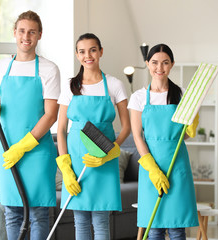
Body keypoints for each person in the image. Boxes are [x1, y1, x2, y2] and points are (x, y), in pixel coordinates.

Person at [0, 10, 60, 240]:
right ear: (14, 33)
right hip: (6, 147)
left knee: (37, 213)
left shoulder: (49, 69)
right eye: (22, 31)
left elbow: (50, 115)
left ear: (39, 35)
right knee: (12, 212)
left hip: (36, 150)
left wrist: (24, 146)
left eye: (32, 32)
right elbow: (0, 106)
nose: (26, 36)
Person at [56, 33, 131, 239]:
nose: (87, 55)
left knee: (101, 219)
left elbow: (127, 127)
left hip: (104, 159)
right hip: (78, 159)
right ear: (76, 55)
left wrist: (110, 152)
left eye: (92, 50)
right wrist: (65, 166)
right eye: (82, 51)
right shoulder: (71, 86)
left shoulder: (114, 84)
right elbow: (61, 129)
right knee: (80, 220)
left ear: (101, 52)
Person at [128, 44, 199, 240]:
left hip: (177, 164)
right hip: (151, 166)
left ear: (172, 64)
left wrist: (191, 128)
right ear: (147, 64)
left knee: (177, 227)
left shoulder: (182, 95)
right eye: (155, 63)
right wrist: (152, 168)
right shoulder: (139, 97)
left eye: (165, 63)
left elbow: (183, 135)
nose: (160, 67)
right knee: (154, 227)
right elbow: (137, 136)